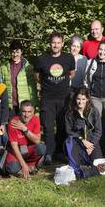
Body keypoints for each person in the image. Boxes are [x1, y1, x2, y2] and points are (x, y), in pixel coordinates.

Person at [35, 33, 76, 162]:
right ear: (50, 43)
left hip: (64, 98)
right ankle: (48, 153)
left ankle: (60, 152)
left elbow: (72, 73)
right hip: (47, 98)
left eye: (58, 43)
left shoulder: (68, 58)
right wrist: (48, 83)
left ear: (62, 44)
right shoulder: (41, 59)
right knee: (47, 126)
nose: (56, 45)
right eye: (54, 42)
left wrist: (60, 82)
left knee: (62, 126)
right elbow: (37, 76)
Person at [64, 88, 102, 178]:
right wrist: (82, 141)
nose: (80, 102)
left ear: (87, 99)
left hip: (91, 142)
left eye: (83, 99)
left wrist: (91, 145)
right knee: (77, 165)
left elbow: (98, 130)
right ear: (75, 99)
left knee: (97, 163)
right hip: (77, 142)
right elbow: (69, 131)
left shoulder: (94, 111)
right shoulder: (70, 113)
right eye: (78, 99)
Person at [5, 100, 46, 178]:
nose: (26, 115)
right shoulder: (13, 123)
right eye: (24, 111)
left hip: (29, 149)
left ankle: (32, 164)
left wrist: (24, 129)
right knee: (13, 169)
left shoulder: (35, 119)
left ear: (33, 111)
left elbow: (37, 140)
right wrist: (23, 164)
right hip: (17, 151)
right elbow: (14, 146)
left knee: (41, 147)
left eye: (29, 112)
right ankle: (22, 166)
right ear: (20, 111)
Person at [0, 40, 37, 115]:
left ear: (21, 52)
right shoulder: (3, 67)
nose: (15, 54)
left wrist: (33, 103)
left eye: (17, 52)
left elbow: (32, 87)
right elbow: (1, 86)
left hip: (24, 105)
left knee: (24, 126)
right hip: (10, 105)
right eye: (13, 52)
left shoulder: (28, 67)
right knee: (11, 126)